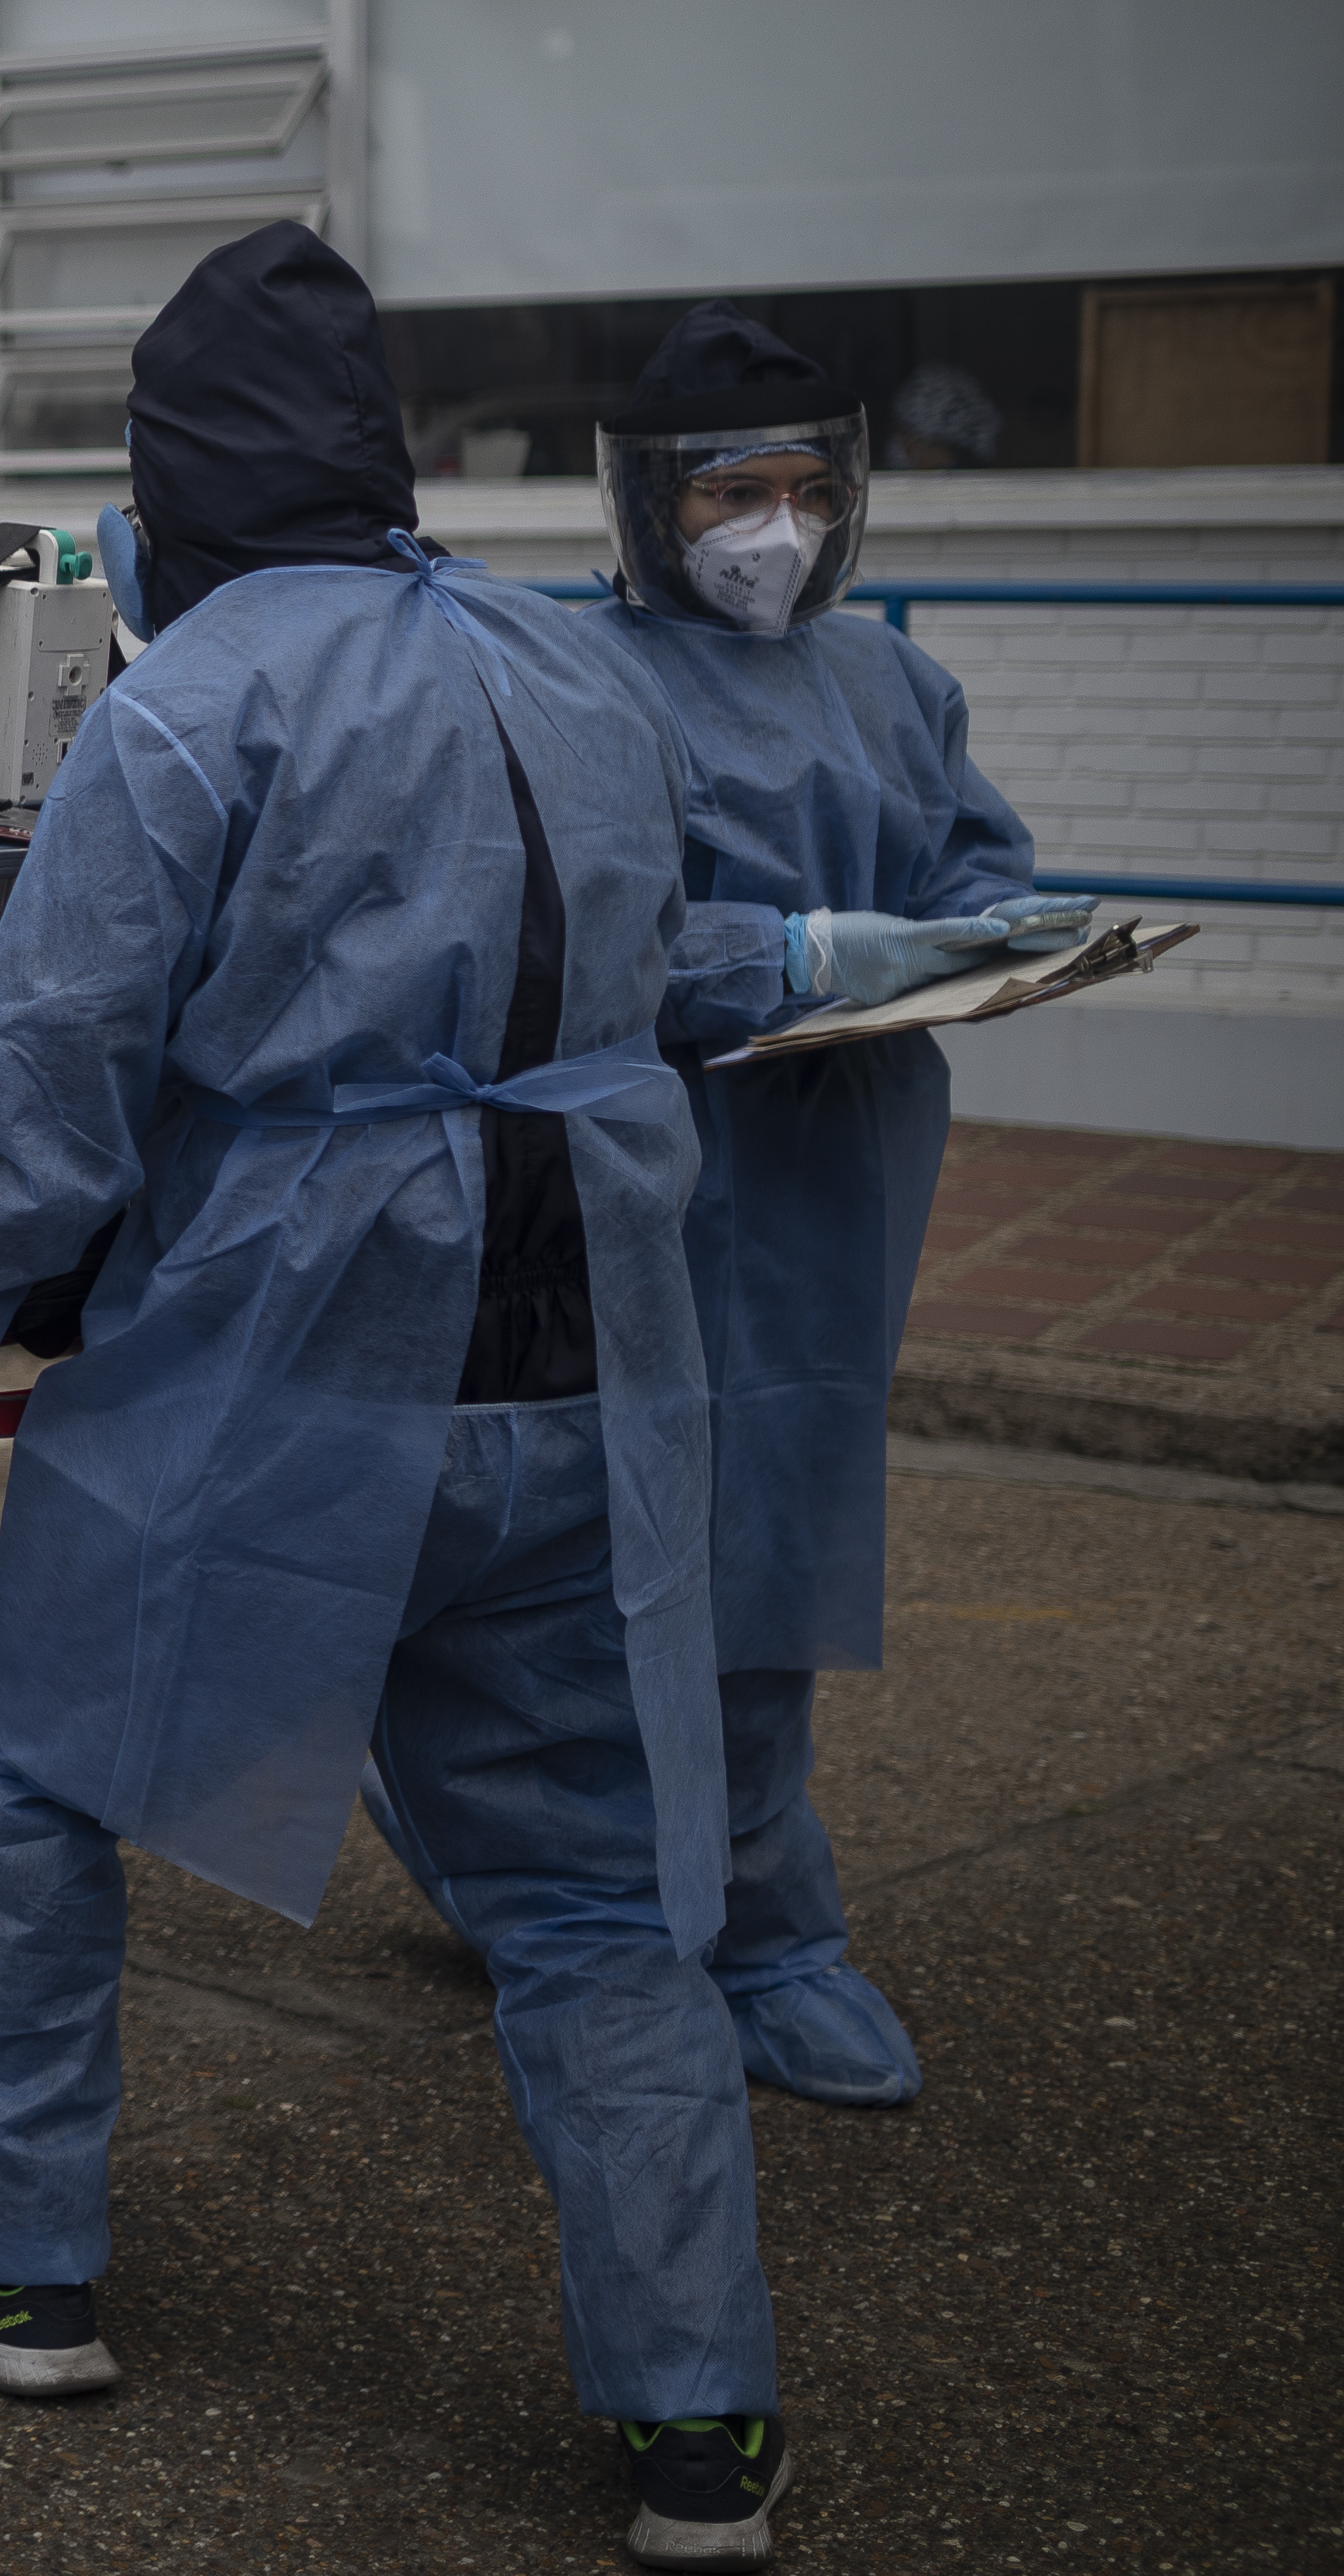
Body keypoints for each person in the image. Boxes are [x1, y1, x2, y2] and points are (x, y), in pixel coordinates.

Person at [0, 223, 796, 2568]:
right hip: (591, 1368)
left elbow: (38, 1106)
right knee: (603, 1901)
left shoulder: (190, 707)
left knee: (27, 1772)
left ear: (166, 500)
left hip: (304, 1363)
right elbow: (661, 958)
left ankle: (11, 2266)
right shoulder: (570, 669)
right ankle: (699, 2419)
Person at [513, 302, 1084, 2109]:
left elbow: (972, 854)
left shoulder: (891, 682)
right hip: (652, 1166)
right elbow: (569, 924)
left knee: (767, 1546)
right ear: (642, 502)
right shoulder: (569, 674)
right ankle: (630, 1892)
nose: (770, 525)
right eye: (726, 491)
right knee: (607, 1553)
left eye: (803, 487)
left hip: (834, 1171)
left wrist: (984, 933)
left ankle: (756, 1921)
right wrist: (784, 951)